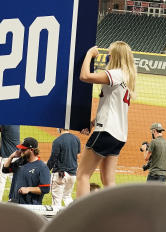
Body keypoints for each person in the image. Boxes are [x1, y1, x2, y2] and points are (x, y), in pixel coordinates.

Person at [76, 41, 137, 198]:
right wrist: (92, 123)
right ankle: (114, 215)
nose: (107, 56)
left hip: (106, 131)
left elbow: (85, 76)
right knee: (108, 181)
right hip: (119, 135)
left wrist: (89, 54)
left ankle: (80, 217)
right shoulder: (127, 77)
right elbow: (112, 107)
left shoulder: (116, 73)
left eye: (110, 53)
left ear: (115, 56)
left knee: (82, 175)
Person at [3, 136, 51, 205]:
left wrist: (28, 189)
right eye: (20, 149)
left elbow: (45, 189)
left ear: (31, 150)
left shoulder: (42, 167)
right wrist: (11, 157)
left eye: (23, 150)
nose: (20, 151)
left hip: (30, 206)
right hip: (14, 202)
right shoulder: (20, 161)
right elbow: (5, 170)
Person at [48, 128, 81, 206]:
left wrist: (46, 170)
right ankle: (73, 215)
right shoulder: (76, 139)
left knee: (56, 200)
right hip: (72, 175)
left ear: (60, 128)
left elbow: (53, 158)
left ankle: (56, 217)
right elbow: (77, 156)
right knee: (67, 197)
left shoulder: (57, 141)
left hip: (60, 175)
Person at [0, 124, 20, 202]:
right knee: (13, 180)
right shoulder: (16, 125)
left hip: (6, 157)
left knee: (1, 179)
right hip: (16, 157)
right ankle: (14, 199)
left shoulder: (5, 125)